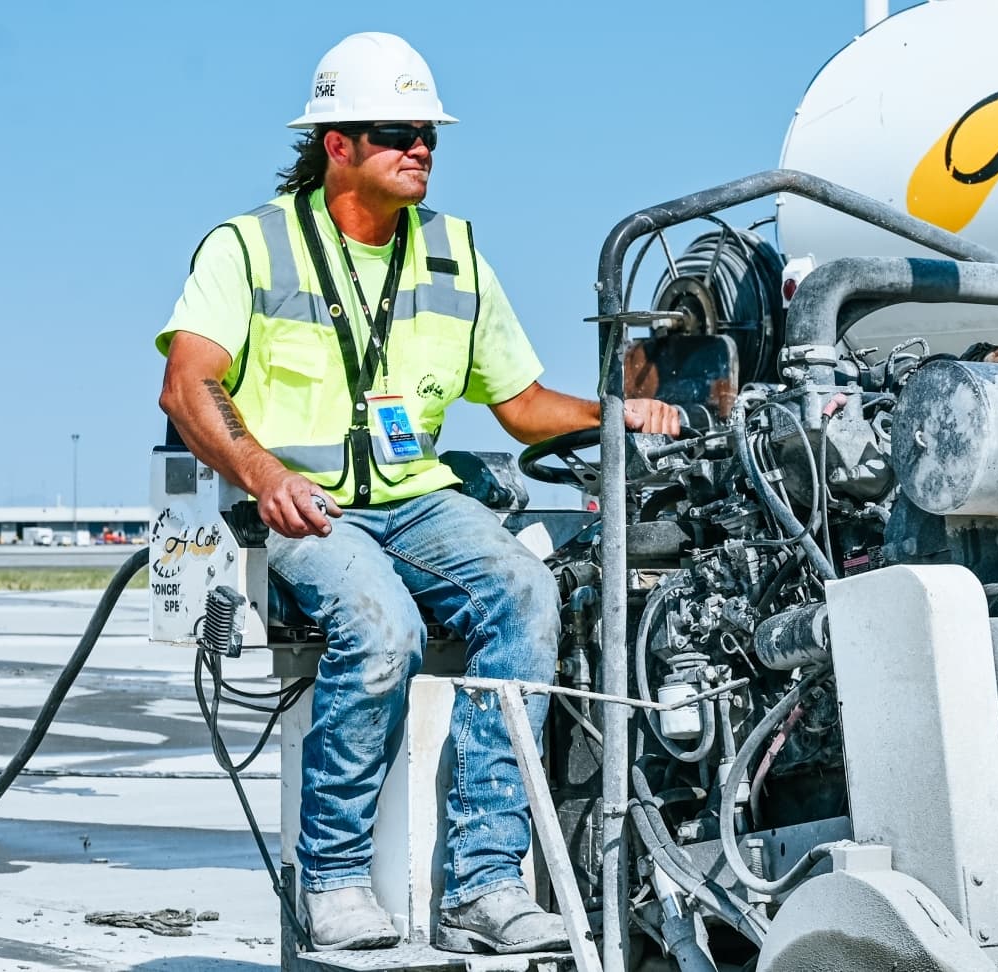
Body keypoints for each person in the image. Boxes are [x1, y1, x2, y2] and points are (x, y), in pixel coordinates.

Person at [154, 32, 678, 954]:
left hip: (415, 500)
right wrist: (265, 475)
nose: (421, 148)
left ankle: (481, 885)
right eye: (398, 131)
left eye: (429, 132)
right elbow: (190, 384)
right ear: (337, 145)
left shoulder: (456, 253)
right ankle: (335, 878)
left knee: (525, 589)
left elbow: (517, 405)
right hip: (302, 506)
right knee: (380, 620)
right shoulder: (252, 247)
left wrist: (619, 413)